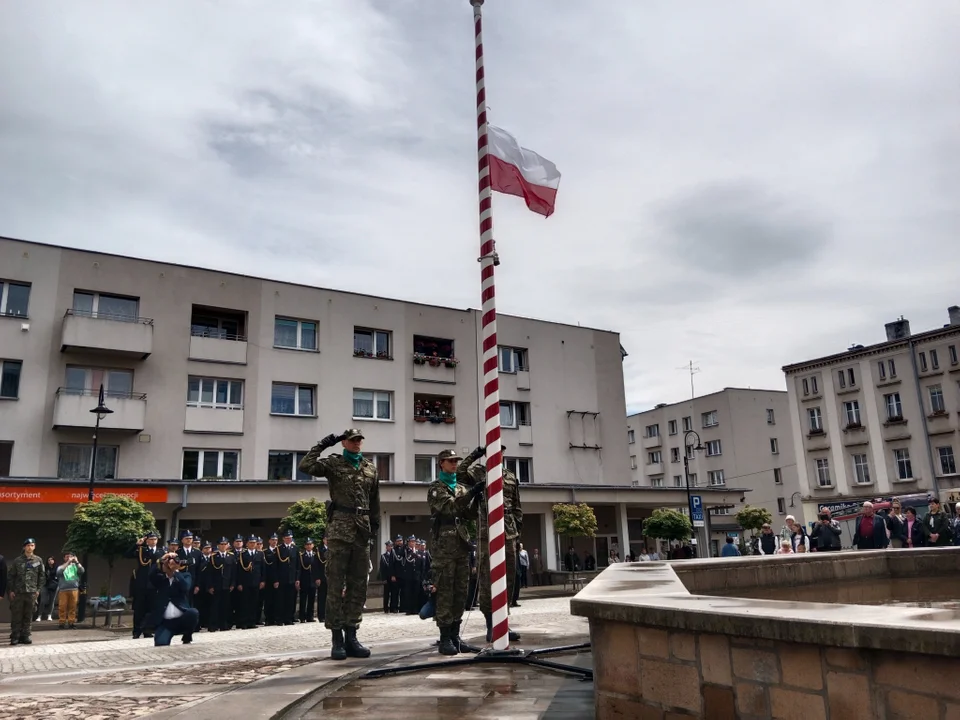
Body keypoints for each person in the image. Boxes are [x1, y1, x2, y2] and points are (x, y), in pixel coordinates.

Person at [299, 428, 381, 661]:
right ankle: (337, 639)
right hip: (340, 529)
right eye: (352, 440)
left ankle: (352, 636)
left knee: (358, 586)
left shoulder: (370, 468)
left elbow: (374, 500)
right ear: (344, 443)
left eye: (359, 440)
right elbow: (306, 466)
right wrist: (323, 444)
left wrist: (373, 527)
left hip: (362, 531)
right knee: (335, 584)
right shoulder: (333, 464)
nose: (357, 444)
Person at [459, 443, 523, 644]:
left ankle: (503, 622)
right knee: (487, 579)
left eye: (501, 451)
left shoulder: (510, 476)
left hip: (509, 532)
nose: (499, 454)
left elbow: (517, 507)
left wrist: (518, 531)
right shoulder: (479, 473)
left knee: (509, 578)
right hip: (487, 532)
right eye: (494, 451)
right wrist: (474, 454)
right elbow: (459, 474)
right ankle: (490, 624)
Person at [429, 448, 482, 655]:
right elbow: (449, 508)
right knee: (445, 591)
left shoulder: (460, 488)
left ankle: (455, 635)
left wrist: (476, 498)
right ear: (441, 463)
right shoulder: (436, 488)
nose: (454, 464)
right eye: (450, 461)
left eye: (455, 461)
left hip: (461, 543)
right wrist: (471, 492)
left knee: (461, 591)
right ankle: (444, 638)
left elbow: (467, 513)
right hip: (444, 545)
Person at [150, 552, 199, 646]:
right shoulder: (161, 579)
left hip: (182, 619)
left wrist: (175, 571)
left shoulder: (185, 575)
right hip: (167, 623)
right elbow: (151, 575)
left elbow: (185, 587)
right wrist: (162, 559)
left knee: (193, 613)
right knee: (161, 643)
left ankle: (187, 636)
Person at [125, 530, 163, 639]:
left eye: (155, 539)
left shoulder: (161, 552)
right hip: (141, 584)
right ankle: (136, 631)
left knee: (151, 609)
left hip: (154, 585)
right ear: (147, 541)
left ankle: (148, 630)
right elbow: (127, 555)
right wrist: (136, 544)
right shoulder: (141, 550)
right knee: (139, 609)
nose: (153, 541)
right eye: (151, 539)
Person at [8, 538, 46, 645]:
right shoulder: (17, 561)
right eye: (28, 545)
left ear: (34, 547)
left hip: (32, 593)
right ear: (24, 547)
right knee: (17, 615)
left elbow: (42, 576)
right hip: (19, 592)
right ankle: (15, 636)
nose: (30, 547)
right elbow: (11, 576)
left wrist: (38, 589)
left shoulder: (38, 560)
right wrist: (11, 590)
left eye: (32, 545)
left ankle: (26, 636)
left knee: (28, 615)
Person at [205, 537, 236, 632]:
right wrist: (210, 586)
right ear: (218, 546)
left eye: (225, 544)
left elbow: (233, 572)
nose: (223, 546)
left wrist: (233, 584)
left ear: (227, 545)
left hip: (227, 585)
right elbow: (209, 573)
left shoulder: (231, 556)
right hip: (216, 585)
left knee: (225, 606)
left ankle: (224, 624)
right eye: (221, 544)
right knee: (215, 606)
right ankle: (213, 625)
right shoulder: (213, 557)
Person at [237, 535, 263, 629]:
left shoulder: (260, 554)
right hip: (245, 582)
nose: (252, 544)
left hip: (256, 581)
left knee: (254, 602)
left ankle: (252, 622)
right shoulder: (242, 555)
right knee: (244, 603)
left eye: (254, 543)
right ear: (247, 543)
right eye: (251, 542)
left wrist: (262, 581)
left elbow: (262, 568)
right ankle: (244, 622)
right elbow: (239, 570)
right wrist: (239, 583)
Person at [275, 530, 299, 625]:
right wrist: (276, 579)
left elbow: (297, 566)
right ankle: (279, 619)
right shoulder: (279, 549)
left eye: (290, 538)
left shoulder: (295, 548)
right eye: (287, 538)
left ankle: (288, 618)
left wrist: (297, 578)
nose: (289, 539)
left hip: (292, 578)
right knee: (280, 600)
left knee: (290, 600)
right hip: (282, 578)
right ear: (283, 539)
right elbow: (275, 566)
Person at [56, 552, 84, 629]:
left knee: (73, 607)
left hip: (74, 589)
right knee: (62, 607)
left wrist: (77, 561)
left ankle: (71, 622)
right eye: (67, 557)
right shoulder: (61, 567)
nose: (69, 558)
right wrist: (68, 562)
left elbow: (82, 571)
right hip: (63, 590)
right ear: (64, 558)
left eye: (70, 557)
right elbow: (59, 572)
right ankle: (62, 623)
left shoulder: (75, 566)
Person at [297, 538, 320, 622]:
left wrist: (317, 578)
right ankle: (302, 617)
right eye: (307, 545)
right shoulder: (302, 556)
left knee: (312, 598)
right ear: (305, 546)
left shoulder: (315, 555)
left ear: (313, 545)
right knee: (303, 599)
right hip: (304, 580)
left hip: (313, 580)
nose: (309, 546)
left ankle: (310, 617)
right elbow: (299, 569)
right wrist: (298, 579)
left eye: (310, 544)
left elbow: (317, 568)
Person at [176, 530, 203, 603]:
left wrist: (197, 585)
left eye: (190, 538)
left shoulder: (198, 553)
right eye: (186, 538)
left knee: (191, 602)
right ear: (182, 540)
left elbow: (199, 570)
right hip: (180, 580)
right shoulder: (177, 552)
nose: (189, 540)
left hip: (192, 581)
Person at [261, 533, 280, 625]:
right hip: (268, 579)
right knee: (268, 600)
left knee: (278, 600)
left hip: (278, 579)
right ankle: (268, 619)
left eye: (276, 540)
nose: (274, 542)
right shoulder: (264, 552)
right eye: (272, 540)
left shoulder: (280, 551)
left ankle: (277, 618)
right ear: (269, 541)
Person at [36, 556, 58, 622]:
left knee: (52, 601)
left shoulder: (57, 568)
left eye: (52, 560)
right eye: (49, 560)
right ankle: (39, 616)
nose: (50, 561)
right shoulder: (44, 568)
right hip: (45, 585)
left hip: (54, 586)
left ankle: (49, 615)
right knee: (43, 601)